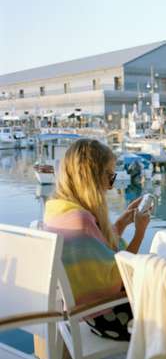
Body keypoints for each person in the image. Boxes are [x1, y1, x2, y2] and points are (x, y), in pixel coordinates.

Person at [44, 139, 150, 341]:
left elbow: (95, 252)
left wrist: (120, 224)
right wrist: (140, 232)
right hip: (111, 317)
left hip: (90, 313)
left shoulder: (58, 208)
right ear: (91, 177)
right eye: (110, 176)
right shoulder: (80, 220)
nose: (110, 187)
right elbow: (119, 275)